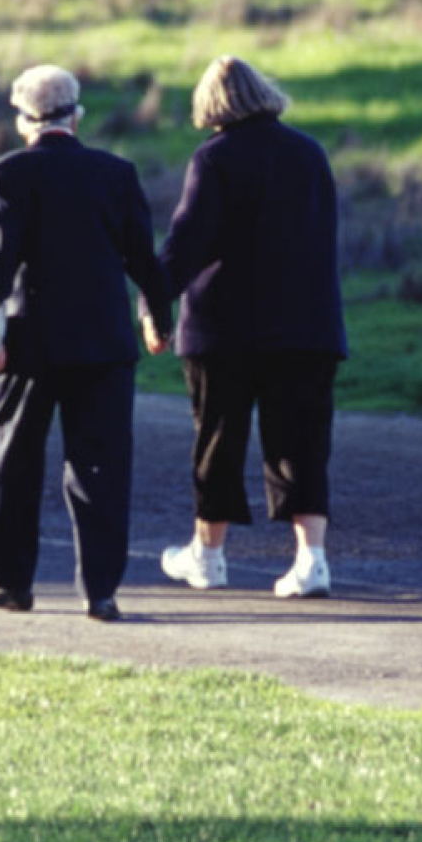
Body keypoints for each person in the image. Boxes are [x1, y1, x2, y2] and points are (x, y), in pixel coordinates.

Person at [0, 64, 172, 622]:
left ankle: (9, 582)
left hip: (31, 346)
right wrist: (157, 316)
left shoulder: (7, 174)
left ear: (23, 119)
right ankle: (100, 591)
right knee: (100, 467)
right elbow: (142, 259)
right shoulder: (117, 173)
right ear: (77, 115)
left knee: (15, 460)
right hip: (105, 344)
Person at [147, 55, 348, 599]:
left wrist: (152, 306)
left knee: (218, 441)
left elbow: (186, 246)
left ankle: (208, 557)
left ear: (210, 105)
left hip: (224, 330)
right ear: (262, 92)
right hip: (308, 326)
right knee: (302, 443)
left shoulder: (214, 159)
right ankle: (312, 563)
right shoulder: (310, 154)